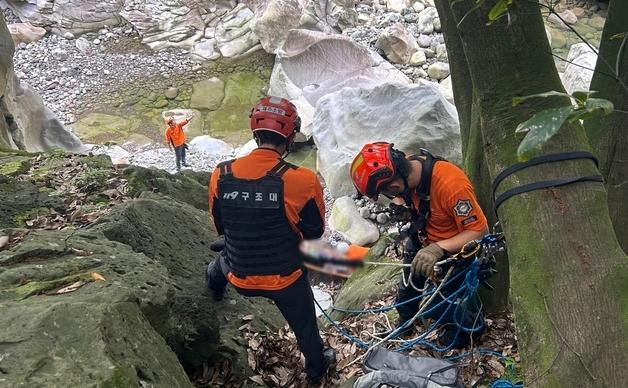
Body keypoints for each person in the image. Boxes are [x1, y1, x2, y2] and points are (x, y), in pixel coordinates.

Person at [206, 96, 336, 384]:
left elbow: (221, 225)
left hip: (237, 272)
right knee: (306, 329)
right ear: (290, 136)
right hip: (285, 280)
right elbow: (313, 235)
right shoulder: (304, 179)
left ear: (255, 133)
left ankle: (214, 288)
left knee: (219, 263)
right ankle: (316, 368)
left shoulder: (221, 172)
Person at [350, 142, 489, 346]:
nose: (392, 197)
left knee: (440, 306)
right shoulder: (409, 167)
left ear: (394, 185)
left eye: (387, 192)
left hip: (454, 252)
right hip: (423, 238)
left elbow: (479, 231)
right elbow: (401, 195)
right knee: (408, 286)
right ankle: (406, 320)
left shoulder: (450, 184)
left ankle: (462, 335)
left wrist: (438, 249)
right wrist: (401, 206)